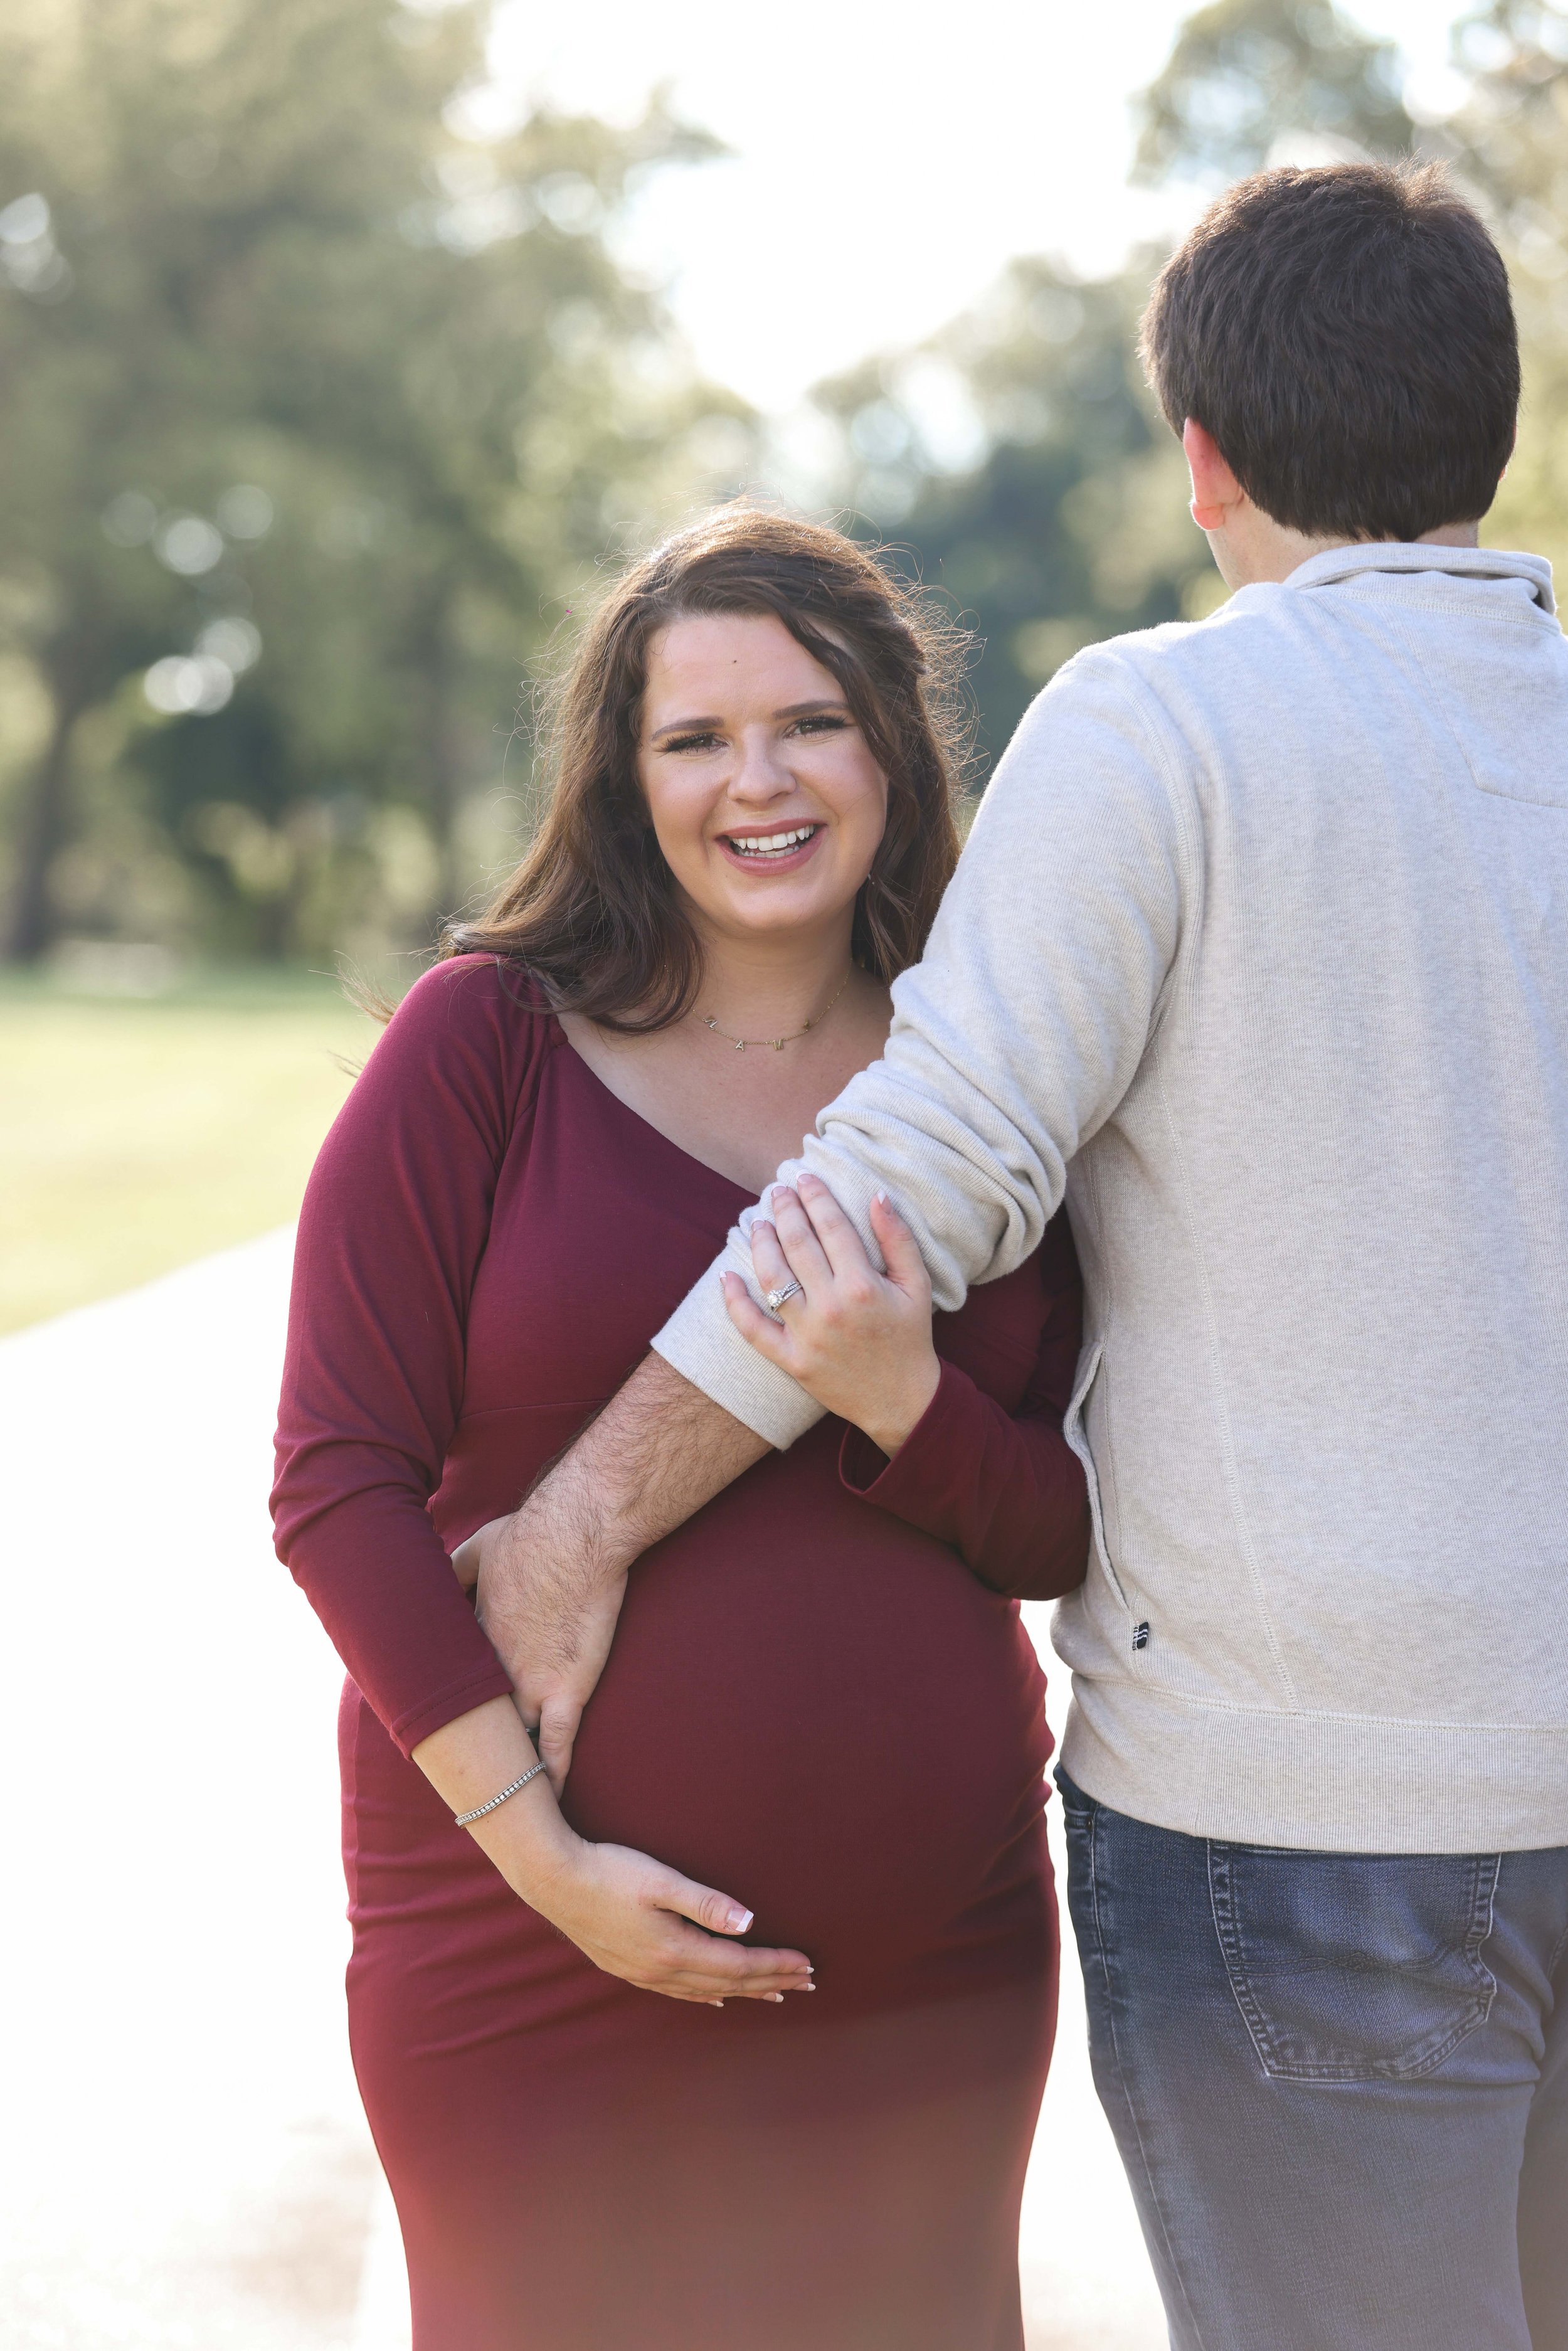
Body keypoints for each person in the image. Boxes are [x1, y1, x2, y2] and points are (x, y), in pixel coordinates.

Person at [461, 164, 1568, 2351]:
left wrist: (576, 1521)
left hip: (1295, 1820)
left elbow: (912, 1175)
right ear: (1492, 435)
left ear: (1201, 459)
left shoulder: (1165, 722)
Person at [270, 508, 1092, 2351]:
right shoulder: (486, 1040)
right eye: (693, 738)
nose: (757, 780)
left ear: (888, 741)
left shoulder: (995, 1082)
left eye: (805, 721)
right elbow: (335, 1480)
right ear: (624, 777)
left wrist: (902, 1402)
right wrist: (539, 1854)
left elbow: (1062, 1524)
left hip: (926, 1974)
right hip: (516, 1941)